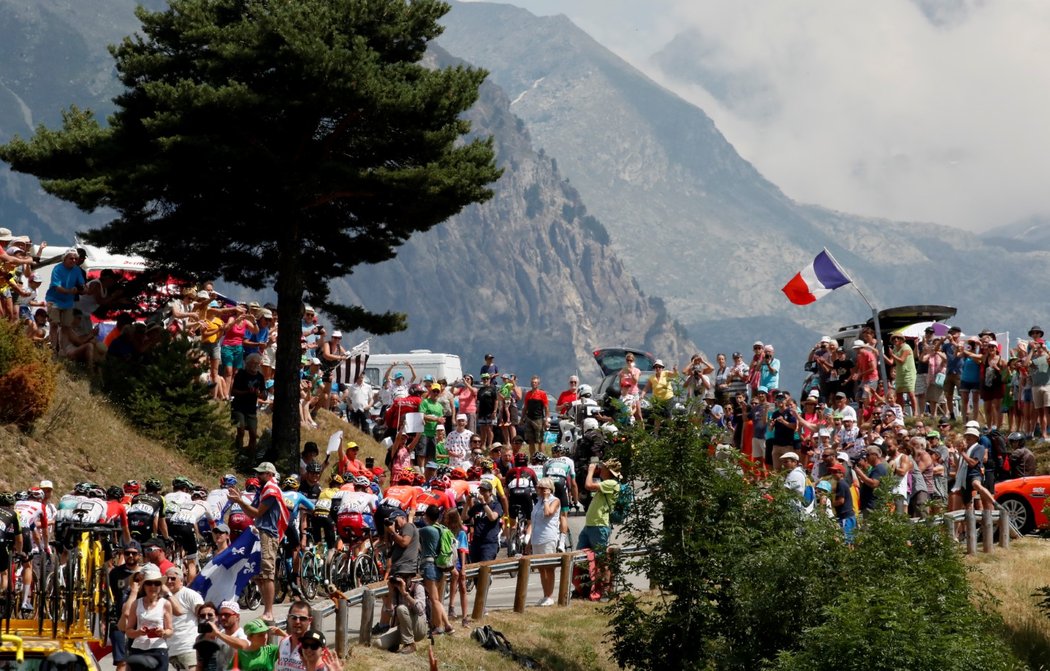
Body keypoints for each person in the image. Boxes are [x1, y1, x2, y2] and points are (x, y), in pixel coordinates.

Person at [226, 462, 287, 622]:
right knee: (258, 574)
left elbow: (258, 512)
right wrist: (238, 500)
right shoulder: (262, 490)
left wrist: (240, 501)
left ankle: (269, 611)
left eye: (261, 474)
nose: (257, 476)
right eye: (257, 473)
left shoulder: (271, 490)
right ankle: (265, 609)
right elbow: (251, 514)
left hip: (268, 534)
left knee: (267, 573)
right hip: (259, 533)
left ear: (269, 475)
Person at [121, 564, 174, 671]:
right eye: (149, 583)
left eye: (157, 583)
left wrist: (162, 632)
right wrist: (139, 632)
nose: (153, 586)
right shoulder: (136, 603)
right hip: (138, 649)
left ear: (160, 586)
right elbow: (128, 631)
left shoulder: (166, 604)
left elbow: (170, 631)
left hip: (158, 649)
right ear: (144, 586)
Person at [371, 573, 428, 654]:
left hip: (419, 627)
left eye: (403, 577)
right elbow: (391, 614)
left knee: (401, 608)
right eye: (398, 578)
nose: (400, 581)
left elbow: (420, 610)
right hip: (402, 627)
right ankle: (396, 643)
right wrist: (390, 594)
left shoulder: (417, 587)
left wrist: (405, 593)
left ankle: (410, 644)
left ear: (410, 577)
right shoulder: (395, 590)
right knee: (378, 643)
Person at [418, 505, 453, 635]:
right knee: (437, 598)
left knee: (434, 599)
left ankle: (438, 627)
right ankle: (448, 625)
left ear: (427, 516)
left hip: (429, 566)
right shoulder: (442, 528)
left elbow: (412, 530)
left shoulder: (427, 530)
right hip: (439, 566)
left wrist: (412, 517)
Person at [528, 478, 561, 606]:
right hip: (536, 538)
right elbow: (534, 523)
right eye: (538, 487)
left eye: (541, 488)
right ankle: (545, 595)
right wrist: (529, 542)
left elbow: (548, 513)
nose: (538, 490)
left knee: (549, 568)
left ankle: (550, 596)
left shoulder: (554, 500)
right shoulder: (538, 502)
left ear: (548, 489)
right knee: (541, 569)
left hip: (548, 538)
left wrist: (547, 498)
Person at [165, 567, 203, 671]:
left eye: (173, 578)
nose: (169, 581)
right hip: (172, 650)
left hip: (189, 647)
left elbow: (202, 615)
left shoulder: (190, 594)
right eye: (167, 579)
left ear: (181, 581)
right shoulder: (163, 597)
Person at [230, 353, 267, 454]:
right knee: (241, 430)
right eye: (253, 363)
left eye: (257, 363)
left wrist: (260, 394)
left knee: (253, 434)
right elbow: (233, 391)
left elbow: (264, 393)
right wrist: (247, 392)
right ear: (247, 363)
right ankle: (238, 450)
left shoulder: (260, 377)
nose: (255, 365)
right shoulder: (241, 374)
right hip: (238, 406)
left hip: (251, 409)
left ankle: (250, 455)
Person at [467, 480, 502, 562]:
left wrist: (483, 503)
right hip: (476, 543)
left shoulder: (496, 505)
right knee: (475, 569)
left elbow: (492, 517)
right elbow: (464, 517)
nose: (481, 492)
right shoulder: (477, 506)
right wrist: (467, 502)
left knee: (485, 569)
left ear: (490, 492)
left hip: (489, 543)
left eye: (484, 491)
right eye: (480, 490)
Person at [523, 376, 550, 456]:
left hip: (539, 419)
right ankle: (532, 458)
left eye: (535, 382)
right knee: (530, 440)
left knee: (540, 440)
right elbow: (525, 407)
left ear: (538, 384)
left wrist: (546, 419)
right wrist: (522, 419)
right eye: (532, 382)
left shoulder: (542, 394)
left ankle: (541, 457)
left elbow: (546, 407)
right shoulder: (528, 394)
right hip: (529, 418)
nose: (533, 384)